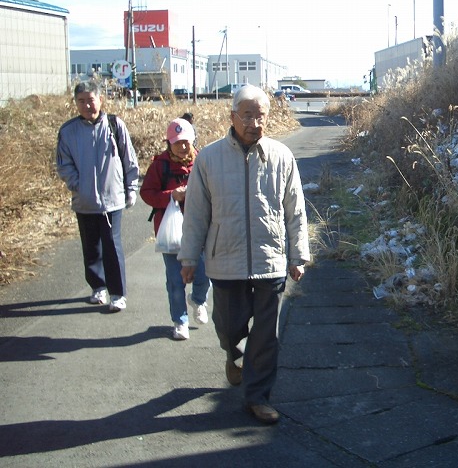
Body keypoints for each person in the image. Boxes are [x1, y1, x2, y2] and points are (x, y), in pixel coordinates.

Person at [178, 85, 310, 425]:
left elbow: (295, 210)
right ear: (232, 117)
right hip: (225, 259)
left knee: (266, 335)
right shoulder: (208, 158)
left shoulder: (281, 156)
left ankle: (257, 397)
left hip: (271, 260)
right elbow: (195, 213)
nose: (255, 122)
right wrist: (189, 258)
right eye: (247, 115)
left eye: (261, 115)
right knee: (229, 325)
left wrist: (298, 255)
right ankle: (232, 353)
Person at [57, 80, 139, 312]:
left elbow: (128, 159)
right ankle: (98, 287)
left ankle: (118, 293)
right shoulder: (68, 131)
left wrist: (131, 189)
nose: (86, 105)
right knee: (91, 247)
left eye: (90, 100)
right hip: (84, 201)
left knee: (112, 245)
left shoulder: (114, 125)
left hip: (112, 200)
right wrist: (78, 185)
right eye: (80, 101)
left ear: (100, 100)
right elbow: (64, 164)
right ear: (75, 103)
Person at [140, 118, 210, 341]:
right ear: (168, 143)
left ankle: (198, 300)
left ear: (192, 141)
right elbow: (147, 193)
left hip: (199, 231)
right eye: (176, 142)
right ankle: (180, 321)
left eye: (185, 142)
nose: (181, 147)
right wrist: (171, 196)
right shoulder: (159, 165)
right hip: (171, 234)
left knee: (204, 273)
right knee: (175, 280)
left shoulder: (203, 162)